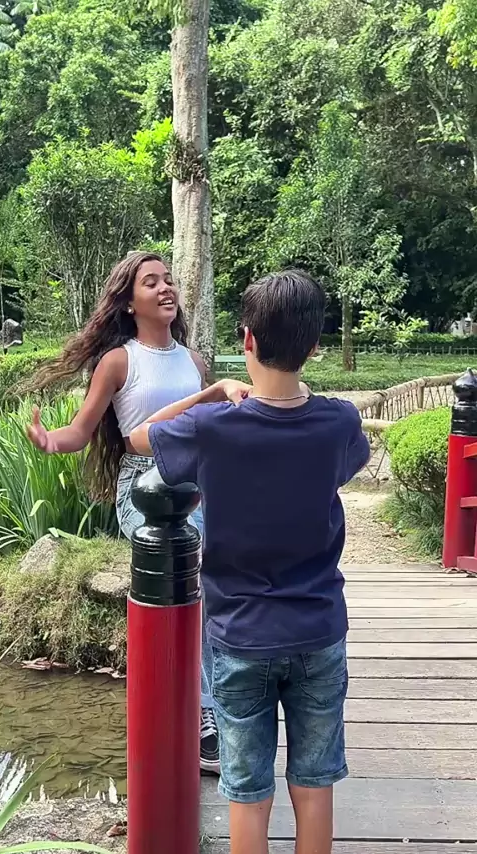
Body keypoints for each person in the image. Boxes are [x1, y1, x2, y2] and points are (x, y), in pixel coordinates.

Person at [129, 269, 370, 854]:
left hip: (240, 635)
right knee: (313, 784)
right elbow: (345, 467)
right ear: (314, 347)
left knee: (246, 791)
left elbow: (138, 437)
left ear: (247, 340)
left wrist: (211, 394)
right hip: (318, 630)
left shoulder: (212, 428)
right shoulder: (339, 421)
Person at [25, 250, 242, 775]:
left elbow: (210, 430)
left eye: (168, 280)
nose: (166, 288)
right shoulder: (119, 361)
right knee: (196, 576)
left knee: (219, 590)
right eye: (151, 282)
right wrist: (50, 441)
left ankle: (216, 705)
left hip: (197, 488)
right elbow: (82, 430)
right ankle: (205, 719)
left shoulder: (194, 362)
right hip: (143, 488)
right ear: (128, 302)